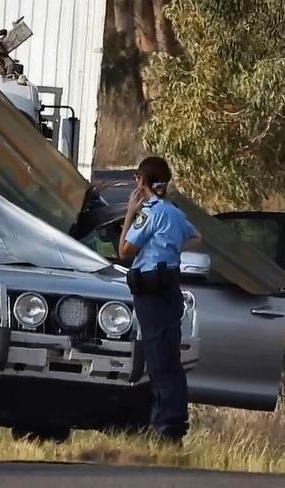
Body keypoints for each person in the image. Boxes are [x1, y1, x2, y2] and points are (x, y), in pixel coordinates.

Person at [118, 155, 201, 444]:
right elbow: (197, 237)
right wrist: (169, 246)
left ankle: (166, 427)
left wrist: (130, 211)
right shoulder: (175, 213)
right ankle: (174, 424)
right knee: (170, 358)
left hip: (151, 290)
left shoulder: (149, 213)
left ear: (142, 181)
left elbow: (124, 251)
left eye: (136, 179)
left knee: (157, 360)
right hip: (170, 288)